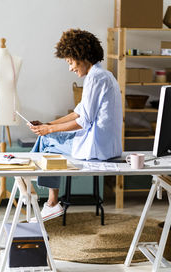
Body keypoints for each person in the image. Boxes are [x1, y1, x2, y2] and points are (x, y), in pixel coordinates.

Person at [29, 28, 123, 222]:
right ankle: (38, 195)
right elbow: (77, 112)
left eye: (70, 62)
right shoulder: (103, 75)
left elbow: (83, 121)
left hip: (97, 148)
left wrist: (48, 130)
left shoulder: (95, 78)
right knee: (46, 135)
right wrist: (48, 124)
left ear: (81, 56)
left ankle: (47, 200)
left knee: (46, 140)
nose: (70, 68)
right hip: (105, 144)